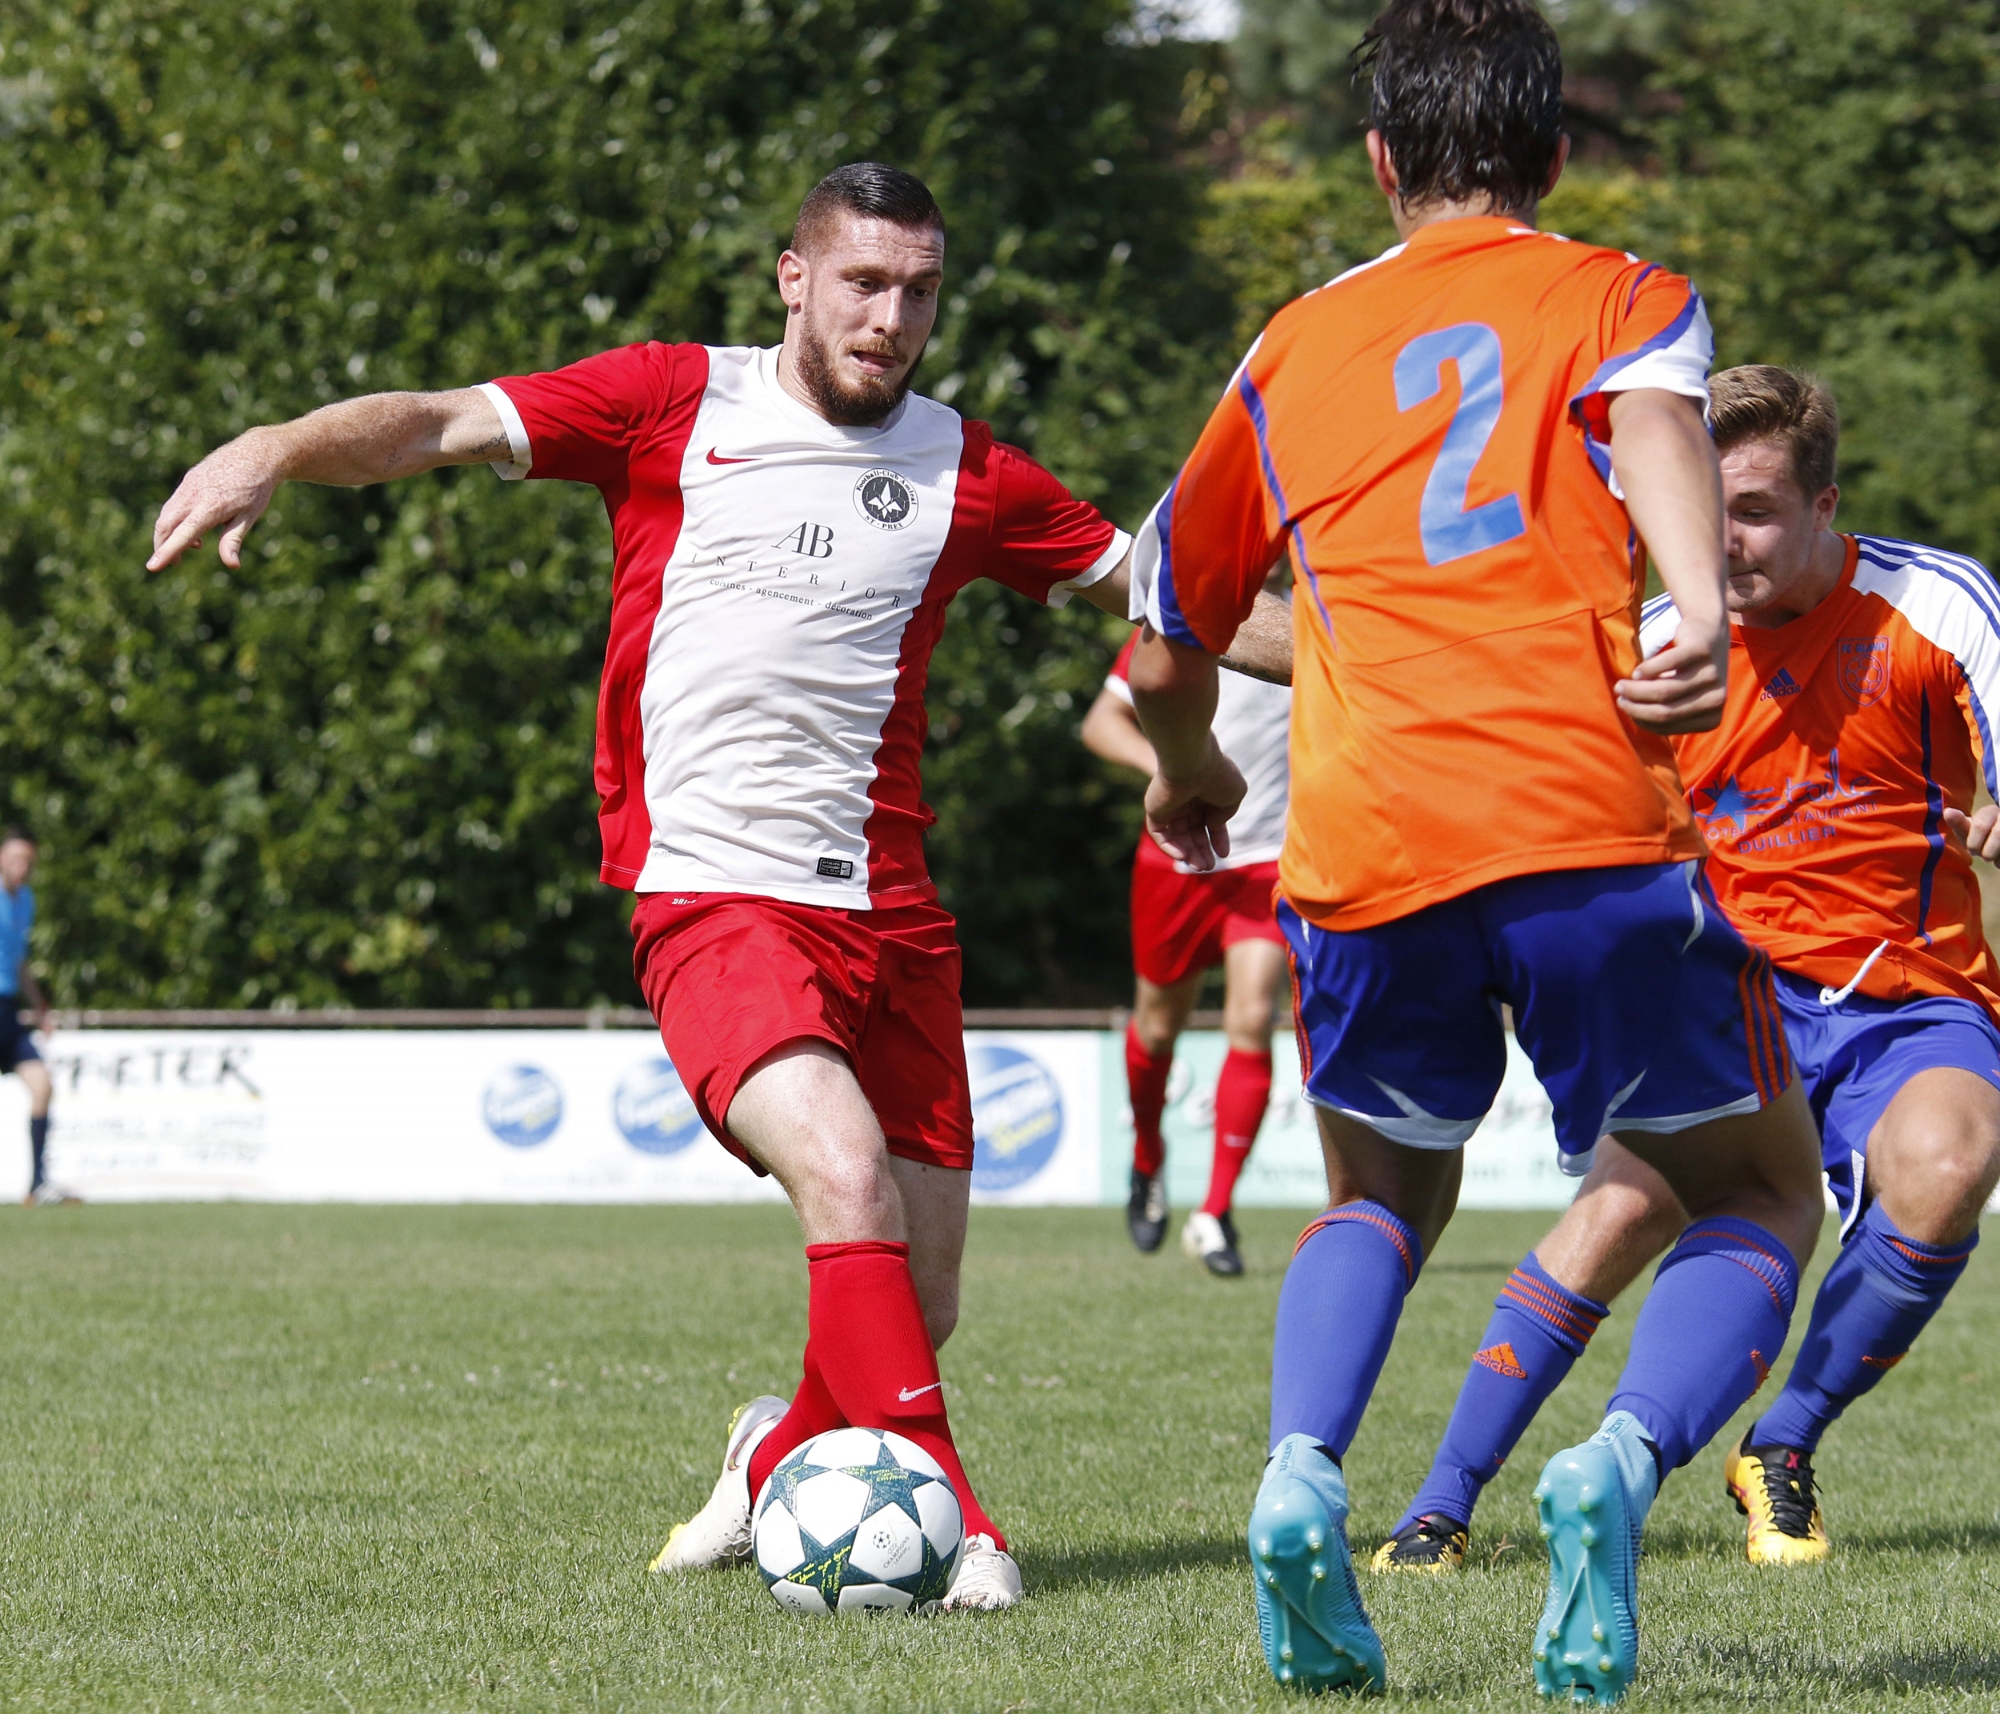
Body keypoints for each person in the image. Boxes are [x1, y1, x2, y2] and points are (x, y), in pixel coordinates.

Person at [149, 162, 1294, 1612]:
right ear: (794, 279)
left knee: (916, 1300)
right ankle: (958, 1517)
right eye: (865, 283)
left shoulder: (966, 467)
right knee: (843, 1169)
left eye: (921, 290)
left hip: (894, 913)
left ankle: (776, 1452)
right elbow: (434, 424)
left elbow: (1174, 603)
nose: (892, 317)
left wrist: (1420, 664)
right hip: (710, 892)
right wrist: (277, 442)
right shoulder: (667, 401)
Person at [1121, 1, 1826, 1699]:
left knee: (1379, 1189)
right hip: (1590, 822)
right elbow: (1660, 426)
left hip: (1370, 849)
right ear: (1556, 152)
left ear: (1378, 162)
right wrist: (1704, 604)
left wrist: (1185, 764)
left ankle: (1301, 1468)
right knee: (1754, 1186)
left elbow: (1163, 632)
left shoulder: (1290, 351)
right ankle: (1622, 1455)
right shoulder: (1621, 292)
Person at [1378, 366, 2000, 1575]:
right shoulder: (1657, 642)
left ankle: (1781, 1441)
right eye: (1702, 504)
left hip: (1903, 994)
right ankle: (1438, 1509)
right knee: (1613, 1214)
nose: (1722, 538)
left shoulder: (1935, 604)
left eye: (1757, 509)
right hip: (1723, 997)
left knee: (1949, 1162)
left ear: (1827, 505)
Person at [1082, 585, 1292, 1275]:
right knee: (1159, 1028)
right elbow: (1101, 723)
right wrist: (1175, 768)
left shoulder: (1316, 621)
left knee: (1253, 1017)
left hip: (1264, 862)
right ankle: (1147, 1160)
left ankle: (1216, 1212)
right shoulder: (1188, 615)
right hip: (1175, 857)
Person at [0, 829, 57, 1205]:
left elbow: (19, 961)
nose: (22, 866)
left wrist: (39, 1007)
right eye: (15, 858)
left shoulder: (27, 900)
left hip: (7, 1009)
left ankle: (38, 1184)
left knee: (42, 1086)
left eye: (27, 860)